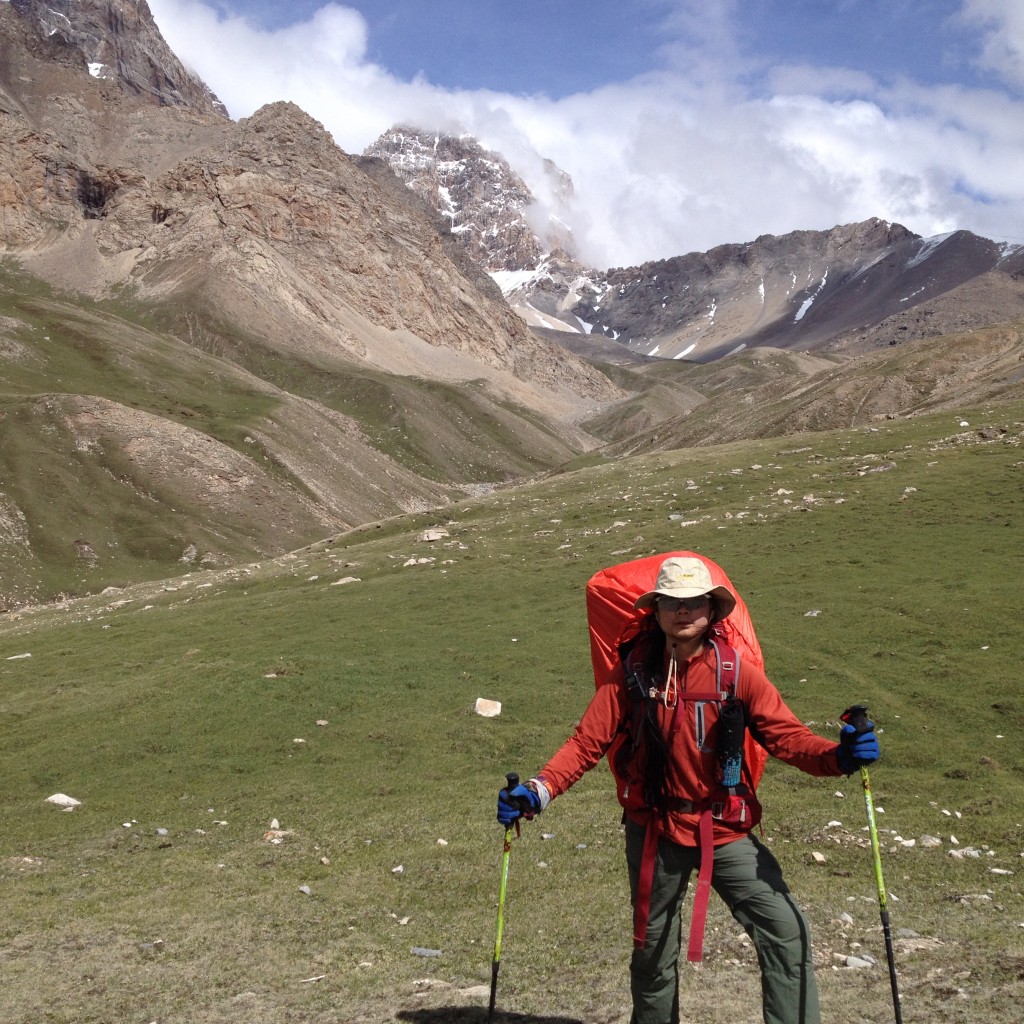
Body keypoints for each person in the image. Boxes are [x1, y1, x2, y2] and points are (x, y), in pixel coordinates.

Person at [496, 555, 880, 1024]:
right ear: (655, 610)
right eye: (673, 602)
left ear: (712, 611)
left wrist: (839, 756)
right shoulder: (632, 675)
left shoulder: (737, 674)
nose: (684, 611)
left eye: (695, 601)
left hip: (723, 827)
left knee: (786, 932)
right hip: (654, 828)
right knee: (652, 955)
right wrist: (537, 792)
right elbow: (585, 744)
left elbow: (787, 737)